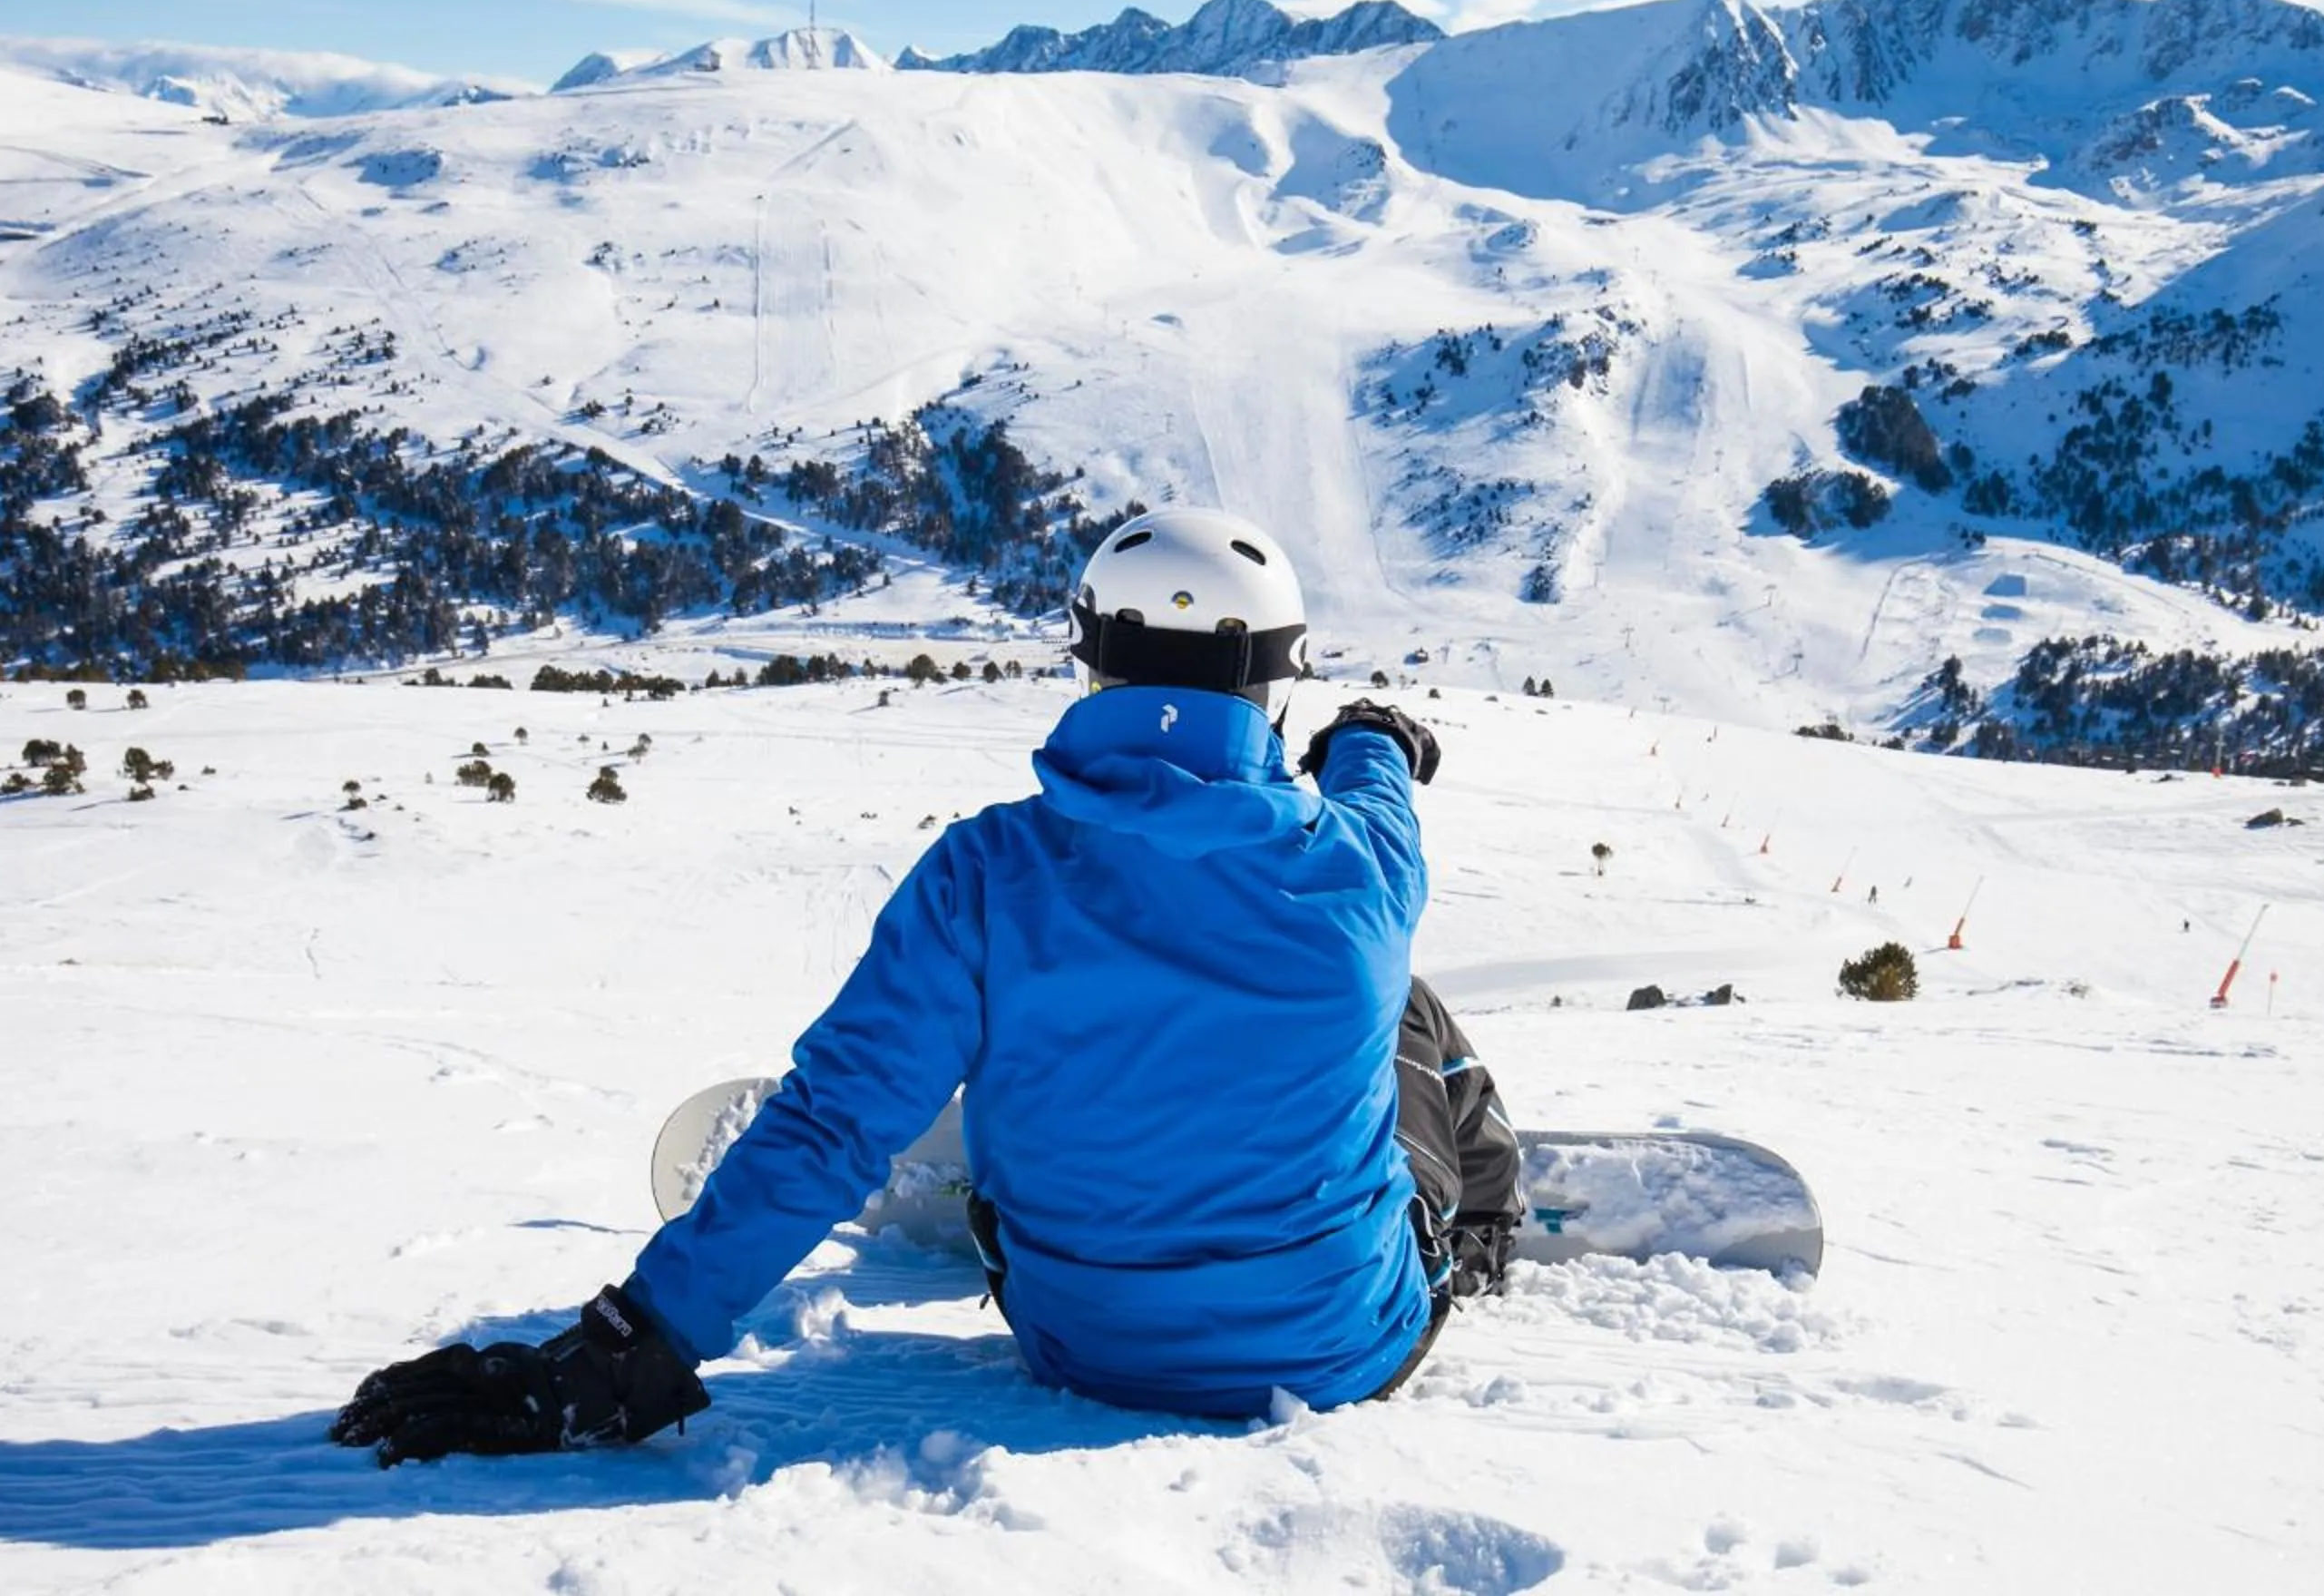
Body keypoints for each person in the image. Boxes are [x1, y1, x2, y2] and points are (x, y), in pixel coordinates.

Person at [331, 506, 1523, 1465]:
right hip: (1338, 1350)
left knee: (978, 1025)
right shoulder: (1363, 864)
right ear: (1274, 679)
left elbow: (833, 1124)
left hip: (1079, 1343)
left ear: (1093, 656)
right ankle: (1479, 1220)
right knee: (1402, 1003)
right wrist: (1373, 733)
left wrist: (630, 1346)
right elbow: (1378, 784)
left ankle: (1059, 1127)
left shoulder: (987, 871)